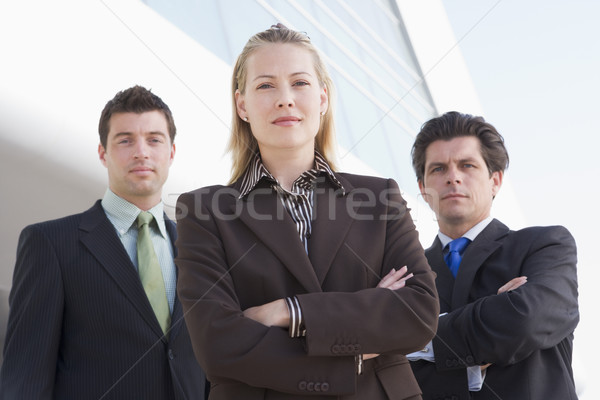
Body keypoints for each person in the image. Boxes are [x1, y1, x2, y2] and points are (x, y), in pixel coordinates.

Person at [174, 24, 439, 399]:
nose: (285, 99)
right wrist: (358, 341)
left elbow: (418, 312)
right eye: (266, 85)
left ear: (323, 99)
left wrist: (289, 311)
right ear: (242, 105)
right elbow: (218, 344)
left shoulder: (379, 197)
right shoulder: (204, 210)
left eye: (299, 83)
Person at [0, 86, 209, 399]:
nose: (141, 152)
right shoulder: (50, 244)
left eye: (154, 139)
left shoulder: (201, 250)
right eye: (125, 140)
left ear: (171, 152)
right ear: (103, 153)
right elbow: (25, 376)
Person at [407, 111, 579, 399]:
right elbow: (382, 371)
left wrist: (413, 342)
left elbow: (526, 320)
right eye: (438, 169)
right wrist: (496, 316)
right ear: (423, 190)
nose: (453, 178)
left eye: (467, 165)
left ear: (495, 181)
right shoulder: (406, 274)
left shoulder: (545, 246)